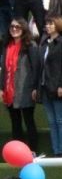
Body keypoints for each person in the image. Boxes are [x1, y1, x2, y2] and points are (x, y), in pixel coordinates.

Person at [0, 18, 40, 152]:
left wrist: (35, 87)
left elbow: (36, 67)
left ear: (23, 29)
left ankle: (32, 151)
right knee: (15, 122)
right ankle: (18, 152)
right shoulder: (7, 46)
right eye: (12, 27)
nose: (14, 29)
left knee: (29, 121)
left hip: (25, 89)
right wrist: (1, 88)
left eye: (18, 27)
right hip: (9, 91)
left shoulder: (30, 45)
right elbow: (4, 70)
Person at [40, 14, 62, 158]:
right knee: (52, 122)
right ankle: (56, 150)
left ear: (58, 25)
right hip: (45, 87)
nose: (47, 26)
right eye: (47, 23)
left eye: (51, 24)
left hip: (58, 87)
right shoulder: (44, 43)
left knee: (60, 120)